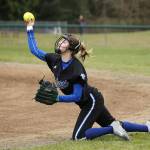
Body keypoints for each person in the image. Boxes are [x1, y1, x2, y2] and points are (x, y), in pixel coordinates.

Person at [25, 19, 150, 141]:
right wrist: (30, 27)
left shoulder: (76, 69)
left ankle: (112, 129)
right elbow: (34, 50)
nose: (60, 43)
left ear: (71, 49)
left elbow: (76, 96)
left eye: (64, 42)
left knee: (79, 137)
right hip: (87, 102)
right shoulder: (54, 59)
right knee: (112, 122)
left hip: (92, 101)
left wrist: (58, 98)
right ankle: (147, 127)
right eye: (61, 41)